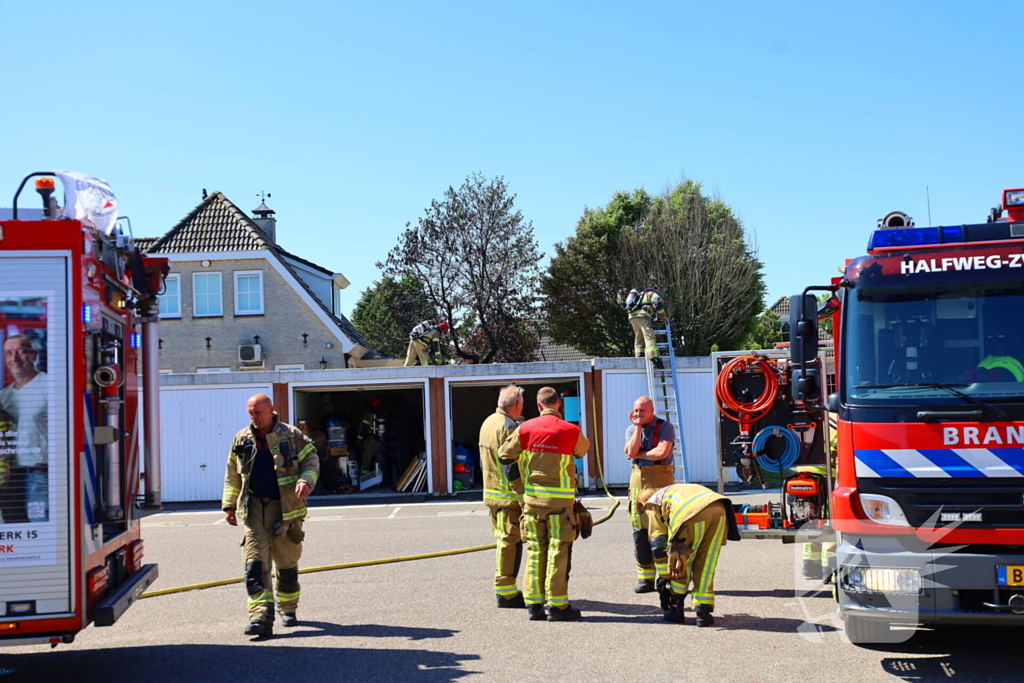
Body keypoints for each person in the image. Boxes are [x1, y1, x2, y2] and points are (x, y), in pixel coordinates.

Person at [222, 394, 319, 637]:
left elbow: (312, 460)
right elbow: (232, 473)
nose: (254, 418)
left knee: (287, 566)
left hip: (286, 512)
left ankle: (288, 608)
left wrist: (306, 480)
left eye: (258, 413)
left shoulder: (292, 435)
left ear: (271, 410)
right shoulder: (242, 438)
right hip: (254, 510)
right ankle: (260, 618)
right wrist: (229, 505)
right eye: (250, 414)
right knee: (254, 565)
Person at [498, 387, 590, 621]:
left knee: (536, 550)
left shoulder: (525, 428)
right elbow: (582, 451)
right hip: (560, 504)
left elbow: (504, 455)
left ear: (539, 406)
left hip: (533, 502)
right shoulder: (571, 430)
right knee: (558, 551)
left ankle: (533, 604)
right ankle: (557, 607)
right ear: (557, 404)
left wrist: (520, 482)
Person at [638, 483, 740, 626]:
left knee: (680, 561)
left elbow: (658, 544)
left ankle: (676, 609)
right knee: (706, 562)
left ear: (641, 505)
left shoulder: (651, 505)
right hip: (719, 509)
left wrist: (664, 577)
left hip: (692, 514)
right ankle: (703, 611)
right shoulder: (671, 491)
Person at [479, 385, 526, 608]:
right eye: (522, 404)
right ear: (517, 405)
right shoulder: (508, 427)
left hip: (492, 493)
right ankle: (506, 593)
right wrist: (523, 497)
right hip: (508, 497)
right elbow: (511, 465)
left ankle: (505, 588)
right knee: (510, 542)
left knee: (503, 541)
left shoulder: (488, 422)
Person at [624, 396, 676, 593]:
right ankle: (645, 578)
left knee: (661, 529)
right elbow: (630, 450)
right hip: (638, 478)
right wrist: (637, 427)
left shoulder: (665, 427)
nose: (638, 414)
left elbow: (661, 453)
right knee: (639, 530)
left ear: (652, 410)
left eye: (642, 411)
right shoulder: (631, 429)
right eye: (635, 411)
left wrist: (638, 454)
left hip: (660, 479)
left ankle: (667, 576)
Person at [0, 335, 49, 523]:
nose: (15, 358)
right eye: (9, 353)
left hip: (39, 475)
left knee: (41, 527)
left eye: (21, 351)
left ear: (34, 354)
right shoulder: (4, 396)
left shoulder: (49, 386)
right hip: (11, 477)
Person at [625, 288, 668, 365]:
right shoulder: (653, 294)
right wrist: (662, 316)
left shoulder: (641, 295)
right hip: (642, 316)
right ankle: (654, 358)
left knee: (639, 336)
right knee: (649, 335)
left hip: (632, 316)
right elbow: (657, 303)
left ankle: (639, 355)